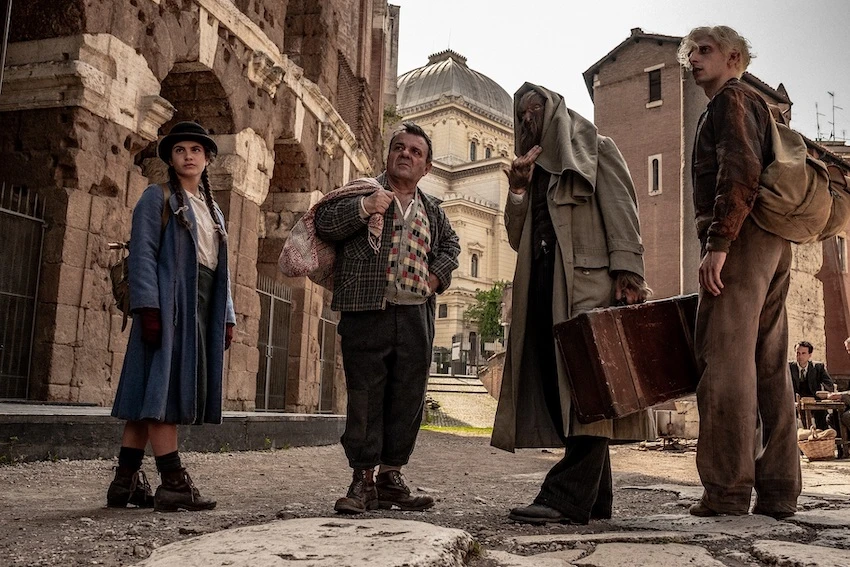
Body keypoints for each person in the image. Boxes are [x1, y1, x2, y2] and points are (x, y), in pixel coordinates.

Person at [490, 82, 653, 525]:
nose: (527, 119)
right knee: (563, 386)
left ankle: (565, 496)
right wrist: (518, 190)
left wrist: (629, 273)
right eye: (521, 114)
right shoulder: (531, 171)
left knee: (589, 387)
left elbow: (623, 210)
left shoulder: (597, 149)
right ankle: (595, 498)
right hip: (544, 287)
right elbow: (517, 237)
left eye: (535, 109)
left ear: (555, 112)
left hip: (590, 288)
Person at [678, 26, 801, 519]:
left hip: (743, 239)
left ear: (734, 58)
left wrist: (718, 244)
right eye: (690, 51)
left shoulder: (731, 99)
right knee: (770, 366)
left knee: (725, 362)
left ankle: (727, 491)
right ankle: (779, 490)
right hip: (774, 238)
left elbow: (739, 171)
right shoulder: (756, 104)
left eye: (704, 50)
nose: (693, 58)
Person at [314, 122, 460, 514]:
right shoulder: (362, 191)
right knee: (365, 395)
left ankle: (390, 478)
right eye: (399, 147)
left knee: (407, 396)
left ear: (427, 167)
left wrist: (434, 278)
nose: (406, 154)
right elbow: (324, 223)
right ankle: (362, 480)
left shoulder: (432, 210)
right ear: (389, 154)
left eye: (415, 151)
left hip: (415, 315)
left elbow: (451, 246)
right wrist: (364, 208)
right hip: (366, 310)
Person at [108, 121, 236, 512]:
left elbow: (221, 269)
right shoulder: (157, 196)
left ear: (207, 158)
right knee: (164, 391)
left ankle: (124, 483)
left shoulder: (214, 211)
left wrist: (226, 316)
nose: (188, 156)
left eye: (196, 150)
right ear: (171, 159)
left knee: (148, 393)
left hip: (201, 304)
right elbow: (143, 253)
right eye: (180, 150)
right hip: (167, 304)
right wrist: (149, 307)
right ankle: (174, 482)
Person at [789, 341, 834, 430]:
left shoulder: (818, 367)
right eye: (798, 353)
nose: (800, 356)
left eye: (803, 353)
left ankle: (823, 436)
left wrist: (824, 394)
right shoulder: (789, 367)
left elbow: (829, 384)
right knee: (788, 417)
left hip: (814, 400)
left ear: (809, 355)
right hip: (794, 401)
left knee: (822, 416)